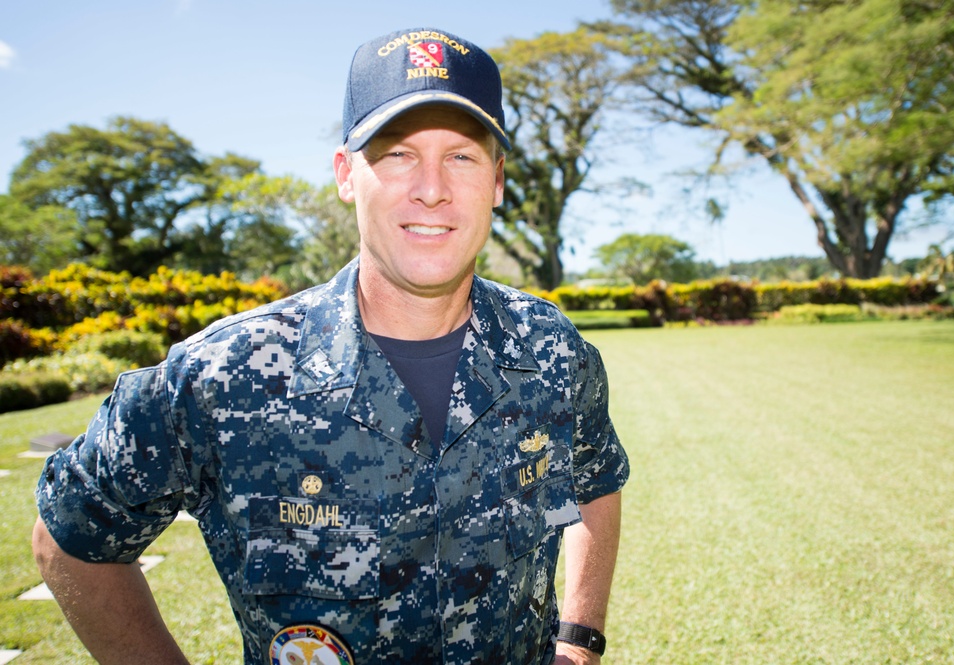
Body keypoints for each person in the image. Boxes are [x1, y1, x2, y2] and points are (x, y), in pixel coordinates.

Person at [32, 26, 629, 665]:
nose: (432, 188)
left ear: (498, 181)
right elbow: (69, 538)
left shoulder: (550, 351)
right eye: (398, 154)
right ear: (347, 174)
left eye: (462, 156)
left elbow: (595, 480)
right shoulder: (220, 376)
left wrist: (580, 637)